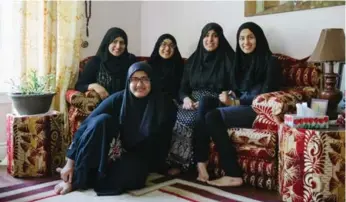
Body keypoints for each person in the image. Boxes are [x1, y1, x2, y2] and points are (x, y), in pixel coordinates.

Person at [54, 62, 176, 195]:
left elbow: (164, 138)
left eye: (145, 79)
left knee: (133, 178)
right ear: (128, 81)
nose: (140, 85)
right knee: (101, 121)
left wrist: (163, 166)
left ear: (151, 81)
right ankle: (75, 178)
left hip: (137, 156)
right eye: (134, 79)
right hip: (110, 150)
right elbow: (86, 127)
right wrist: (70, 163)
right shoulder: (118, 99)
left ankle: (93, 173)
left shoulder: (161, 104)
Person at [195, 22, 282, 187]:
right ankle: (201, 161)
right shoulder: (239, 61)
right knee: (206, 101)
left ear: (259, 39)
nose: (246, 42)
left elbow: (264, 95)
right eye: (241, 38)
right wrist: (230, 95)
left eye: (250, 37)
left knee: (213, 117)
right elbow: (236, 89)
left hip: (257, 109)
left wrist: (236, 101)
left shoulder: (271, 62)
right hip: (239, 105)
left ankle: (233, 174)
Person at [166, 22, 235, 176]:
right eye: (206, 35)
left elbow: (234, 89)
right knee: (178, 115)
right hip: (193, 100)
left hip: (216, 101)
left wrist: (222, 97)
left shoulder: (229, 59)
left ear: (220, 39)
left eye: (215, 36)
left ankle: (199, 163)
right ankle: (178, 162)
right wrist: (185, 99)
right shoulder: (192, 61)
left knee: (195, 117)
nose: (210, 39)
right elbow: (183, 88)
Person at [75, 27, 137, 100]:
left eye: (122, 42)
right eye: (114, 41)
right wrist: (94, 86)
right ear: (108, 43)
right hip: (105, 104)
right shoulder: (95, 62)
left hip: (127, 103)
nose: (118, 46)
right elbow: (79, 86)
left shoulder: (131, 60)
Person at [148, 34, 184, 101]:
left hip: (174, 103)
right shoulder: (148, 66)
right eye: (163, 44)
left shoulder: (181, 67)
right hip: (152, 102)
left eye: (171, 45)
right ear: (158, 46)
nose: (167, 48)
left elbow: (183, 90)